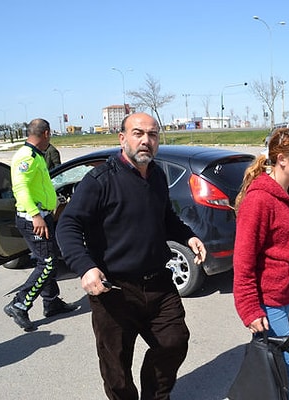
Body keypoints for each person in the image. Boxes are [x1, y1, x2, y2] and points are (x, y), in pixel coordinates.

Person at [56, 113, 207, 399]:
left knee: (174, 343)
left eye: (152, 135)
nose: (146, 141)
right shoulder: (100, 181)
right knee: (116, 370)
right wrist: (85, 267)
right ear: (122, 138)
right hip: (114, 291)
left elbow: (166, 218)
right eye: (138, 133)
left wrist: (188, 235)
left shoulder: (157, 175)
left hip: (159, 284)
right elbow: (68, 225)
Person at [233, 127, 289, 400]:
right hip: (268, 300)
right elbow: (243, 260)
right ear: (282, 159)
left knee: (272, 366)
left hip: (286, 293)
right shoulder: (259, 200)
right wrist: (249, 308)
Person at [3, 118, 78, 332]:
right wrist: (36, 215)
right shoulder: (25, 157)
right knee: (46, 263)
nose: (50, 139)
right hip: (32, 218)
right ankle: (19, 304)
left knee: (50, 258)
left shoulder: (36, 156)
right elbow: (21, 188)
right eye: (50, 136)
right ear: (46, 133)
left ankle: (51, 302)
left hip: (43, 216)